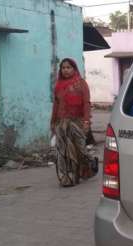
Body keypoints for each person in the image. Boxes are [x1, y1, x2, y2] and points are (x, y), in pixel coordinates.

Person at [51, 58, 95, 187]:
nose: (65, 70)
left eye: (68, 67)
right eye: (63, 68)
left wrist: (86, 121)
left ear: (74, 69)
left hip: (77, 122)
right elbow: (56, 105)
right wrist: (53, 122)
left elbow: (86, 103)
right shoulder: (58, 85)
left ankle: (85, 169)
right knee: (63, 151)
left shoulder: (81, 84)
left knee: (80, 150)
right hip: (62, 123)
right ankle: (67, 178)